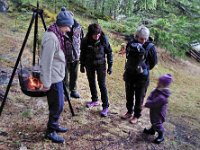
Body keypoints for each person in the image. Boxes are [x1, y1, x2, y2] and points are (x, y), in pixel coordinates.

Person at [40, 7, 74, 143]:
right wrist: (46, 83)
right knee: (57, 105)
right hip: (52, 78)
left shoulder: (57, 34)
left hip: (57, 76)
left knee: (58, 104)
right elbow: (45, 62)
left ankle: (54, 125)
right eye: (68, 26)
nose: (69, 30)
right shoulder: (51, 38)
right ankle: (50, 131)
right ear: (62, 24)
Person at [121, 25, 158, 124]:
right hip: (129, 74)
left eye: (146, 38)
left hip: (142, 77)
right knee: (129, 94)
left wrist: (144, 68)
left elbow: (154, 62)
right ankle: (129, 111)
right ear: (137, 36)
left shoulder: (150, 47)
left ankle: (136, 115)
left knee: (139, 97)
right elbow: (128, 56)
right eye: (142, 39)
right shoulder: (131, 43)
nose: (144, 41)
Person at [80, 23, 113, 117]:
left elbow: (109, 52)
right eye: (95, 35)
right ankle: (95, 100)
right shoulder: (85, 40)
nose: (97, 36)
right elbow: (82, 53)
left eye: (98, 34)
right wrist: (82, 65)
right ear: (90, 34)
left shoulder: (103, 39)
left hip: (101, 64)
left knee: (101, 84)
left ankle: (105, 106)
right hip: (89, 64)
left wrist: (110, 65)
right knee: (91, 82)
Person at [143, 74, 173, 144]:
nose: (158, 83)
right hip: (154, 110)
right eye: (158, 81)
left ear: (164, 85)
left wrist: (145, 104)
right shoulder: (157, 89)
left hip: (159, 113)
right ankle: (152, 130)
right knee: (153, 121)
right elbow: (151, 95)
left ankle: (161, 135)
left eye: (160, 82)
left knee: (157, 123)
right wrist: (148, 100)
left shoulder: (162, 98)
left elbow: (153, 103)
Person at [64, 19, 84, 99]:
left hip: (76, 55)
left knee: (74, 74)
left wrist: (81, 53)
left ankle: (73, 90)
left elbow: (82, 39)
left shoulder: (78, 27)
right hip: (64, 55)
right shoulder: (62, 26)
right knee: (64, 74)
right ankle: (65, 92)